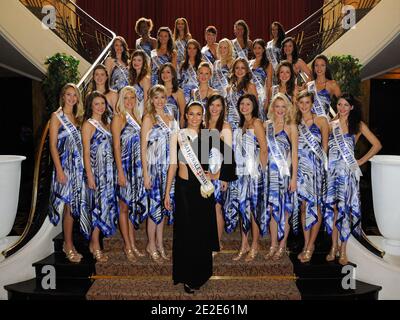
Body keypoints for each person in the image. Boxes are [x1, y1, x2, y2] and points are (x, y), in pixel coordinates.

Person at [164, 102, 236, 293]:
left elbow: (228, 154)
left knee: (201, 232)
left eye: (198, 114)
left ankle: (199, 274)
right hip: (183, 189)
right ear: (186, 115)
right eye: (191, 114)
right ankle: (186, 275)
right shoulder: (177, 136)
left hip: (202, 189)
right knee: (186, 232)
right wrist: (167, 192)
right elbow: (172, 165)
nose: (195, 118)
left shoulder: (209, 135)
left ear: (202, 116)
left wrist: (217, 174)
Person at [325, 94, 382, 265]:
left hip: (347, 174)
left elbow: (377, 144)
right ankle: (333, 247)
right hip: (332, 174)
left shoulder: (357, 125)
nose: (342, 108)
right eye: (339, 104)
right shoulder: (331, 124)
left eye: (345, 105)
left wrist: (360, 161)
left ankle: (343, 250)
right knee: (333, 210)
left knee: (344, 211)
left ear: (351, 107)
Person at [226, 94, 268, 262]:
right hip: (240, 173)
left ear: (254, 106)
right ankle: (244, 244)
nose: (244, 106)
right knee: (243, 208)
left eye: (248, 104)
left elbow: (264, 149)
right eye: (242, 104)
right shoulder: (240, 124)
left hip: (253, 173)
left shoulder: (257, 123)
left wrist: (260, 173)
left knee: (253, 210)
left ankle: (255, 244)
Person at [141, 85, 179, 263]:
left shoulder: (171, 118)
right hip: (154, 170)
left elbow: (176, 146)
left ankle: (160, 243)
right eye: (156, 98)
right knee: (154, 209)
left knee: (164, 208)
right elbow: (143, 149)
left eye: (162, 97)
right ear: (151, 99)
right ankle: (151, 245)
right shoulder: (149, 118)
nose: (159, 101)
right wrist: (146, 174)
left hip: (168, 169)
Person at [49, 83, 85, 263]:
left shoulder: (78, 118)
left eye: (74, 95)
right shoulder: (57, 117)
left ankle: (69, 243)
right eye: (68, 95)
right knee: (69, 207)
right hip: (65, 168)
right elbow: (53, 146)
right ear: (63, 96)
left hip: (78, 168)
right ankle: (68, 245)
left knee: (74, 206)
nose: (71, 98)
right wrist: (59, 171)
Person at [81, 91, 119, 262]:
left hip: (108, 173)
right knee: (97, 208)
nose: (100, 107)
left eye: (102, 103)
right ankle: (95, 244)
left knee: (105, 207)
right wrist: (90, 175)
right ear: (91, 106)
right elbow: (86, 152)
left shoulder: (107, 123)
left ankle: (95, 242)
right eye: (96, 104)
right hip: (96, 173)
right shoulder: (88, 125)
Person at [111, 87, 147, 262]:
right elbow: (116, 147)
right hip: (124, 167)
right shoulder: (119, 117)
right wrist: (120, 172)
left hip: (137, 169)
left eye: (132, 97)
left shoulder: (138, 118)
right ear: (121, 99)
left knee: (131, 205)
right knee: (124, 207)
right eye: (126, 97)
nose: (130, 101)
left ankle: (133, 244)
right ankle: (127, 245)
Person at [264, 93, 298, 261]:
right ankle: (272, 244)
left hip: (284, 176)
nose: (280, 110)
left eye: (283, 106)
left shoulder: (291, 127)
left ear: (287, 108)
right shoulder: (266, 125)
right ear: (272, 108)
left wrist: (293, 178)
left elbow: (294, 155)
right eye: (277, 106)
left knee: (284, 211)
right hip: (269, 176)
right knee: (271, 210)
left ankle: (282, 245)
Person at [295, 90, 329, 263]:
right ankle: (306, 243)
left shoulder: (322, 120)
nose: (304, 106)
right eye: (301, 103)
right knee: (303, 208)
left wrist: (323, 171)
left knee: (315, 208)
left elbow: (325, 148)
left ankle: (311, 245)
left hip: (315, 170)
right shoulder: (295, 122)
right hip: (301, 170)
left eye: (307, 102)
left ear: (312, 103)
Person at [204, 94, 232, 254]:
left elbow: (228, 156)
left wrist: (221, 177)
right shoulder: (203, 124)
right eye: (212, 105)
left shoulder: (225, 127)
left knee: (217, 208)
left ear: (223, 109)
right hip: (203, 174)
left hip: (217, 173)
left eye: (218, 106)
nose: (214, 109)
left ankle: (216, 243)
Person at [226, 58, 257, 130]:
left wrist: (249, 124)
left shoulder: (250, 86)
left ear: (246, 70)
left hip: (244, 123)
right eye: (237, 68)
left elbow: (255, 108)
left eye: (242, 68)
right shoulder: (229, 88)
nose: (239, 71)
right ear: (234, 70)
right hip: (230, 123)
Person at [249, 39, 272, 120]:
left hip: (261, 96)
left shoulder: (267, 64)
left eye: (259, 48)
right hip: (250, 95)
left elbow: (269, 84)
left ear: (263, 49)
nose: (257, 50)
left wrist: (267, 100)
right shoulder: (249, 63)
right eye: (255, 48)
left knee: (259, 118)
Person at [129, 50, 151, 119]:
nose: (136, 62)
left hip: (141, 112)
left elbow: (147, 100)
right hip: (133, 110)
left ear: (143, 62)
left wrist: (144, 117)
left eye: (139, 60)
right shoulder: (132, 77)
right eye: (134, 60)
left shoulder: (145, 79)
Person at [179, 39, 202, 104]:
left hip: (198, 93)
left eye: (194, 48)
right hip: (184, 94)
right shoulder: (182, 64)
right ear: (186, 50)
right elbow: (180, 80)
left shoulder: (202, 63)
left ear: (197, 50)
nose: (192, 51)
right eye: (189, 48)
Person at [266, 21, 286, 86]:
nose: (274, 31)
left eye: (276, 29)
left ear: (279, 30)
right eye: (273, 29)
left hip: (280, 69)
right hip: (270, 71)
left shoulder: (283, 42)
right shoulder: (269, 43)